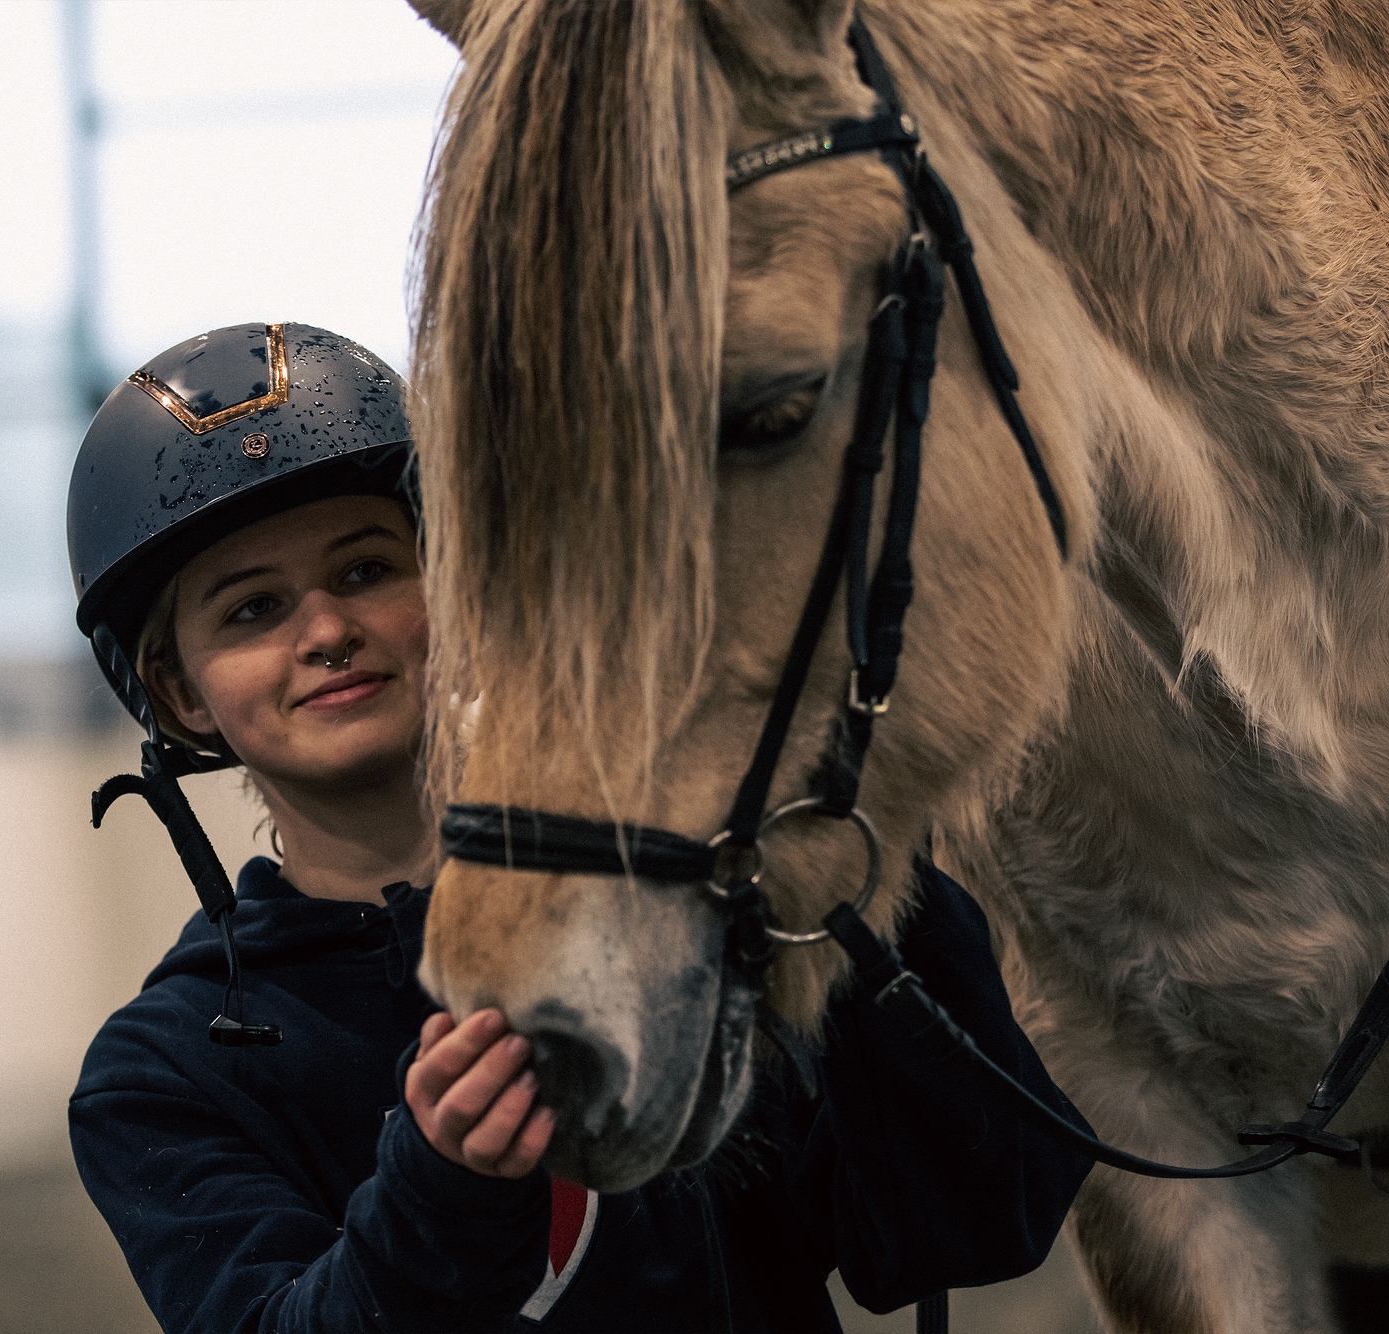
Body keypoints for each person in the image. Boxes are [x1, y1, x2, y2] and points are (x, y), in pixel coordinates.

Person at [65, 322, 1093, 1333]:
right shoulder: (161, 1071)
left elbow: (966, 1226)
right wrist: (445, 1190)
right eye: (251, 610)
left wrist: (860, 882)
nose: (328, 630)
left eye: (368, 570)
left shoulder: (677, 889)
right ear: (177, 690)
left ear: (459, 586)